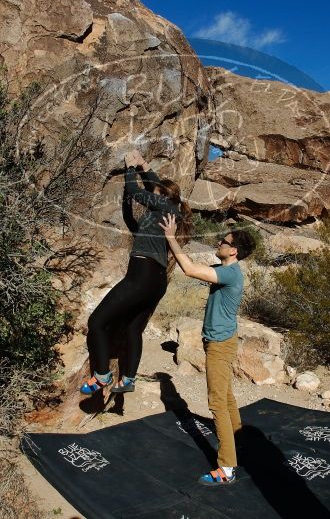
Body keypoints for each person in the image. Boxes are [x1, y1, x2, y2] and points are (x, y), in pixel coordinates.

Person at [80, 150, 192, 396]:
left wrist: (130, 168)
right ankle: (128, 379)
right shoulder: (167, 211)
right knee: (133, 330)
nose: (152, 190)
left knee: (97, 322)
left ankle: (101, 376)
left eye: (156, 190)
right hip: (157, 281)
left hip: (141, 276)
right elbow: (148, 193)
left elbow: (137, 191)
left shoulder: (164, 204)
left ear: (163, 195)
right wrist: (144, 165)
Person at [160, 213, 256, 486]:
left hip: (220, 345)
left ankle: (226, 468)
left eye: (224, 241)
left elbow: (189, 269)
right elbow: (194, 264)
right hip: (220, 341)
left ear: (233, 250)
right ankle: (240, 447)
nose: (219, 242)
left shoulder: (229, 273)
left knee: (216, 403)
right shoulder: (226, 270)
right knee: (225, 398)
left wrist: (170, 238)